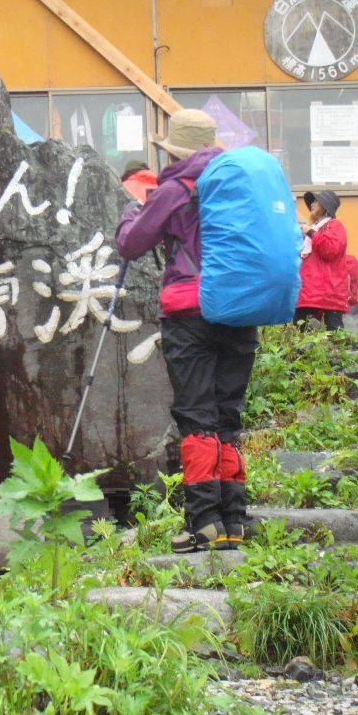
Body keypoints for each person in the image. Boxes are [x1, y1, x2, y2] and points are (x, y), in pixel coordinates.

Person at [115, 109, 256, 553]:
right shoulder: (240, 185)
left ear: (176, 149)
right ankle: (234, 520)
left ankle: (202, 522)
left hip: (190, 315)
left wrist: (130, 212)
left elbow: (132, 243)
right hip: (239, 308)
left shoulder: (176, 189)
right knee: (227, 415)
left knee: (197, 417)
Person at [293, 190, 349, 330]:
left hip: (327, 294)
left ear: (324, 207)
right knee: (300, 330)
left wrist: (311, 233)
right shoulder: (314, 228)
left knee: (333, 334)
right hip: (310, 293)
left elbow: (331, 249)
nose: (311, 204)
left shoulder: (335, 226)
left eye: (316, 201)